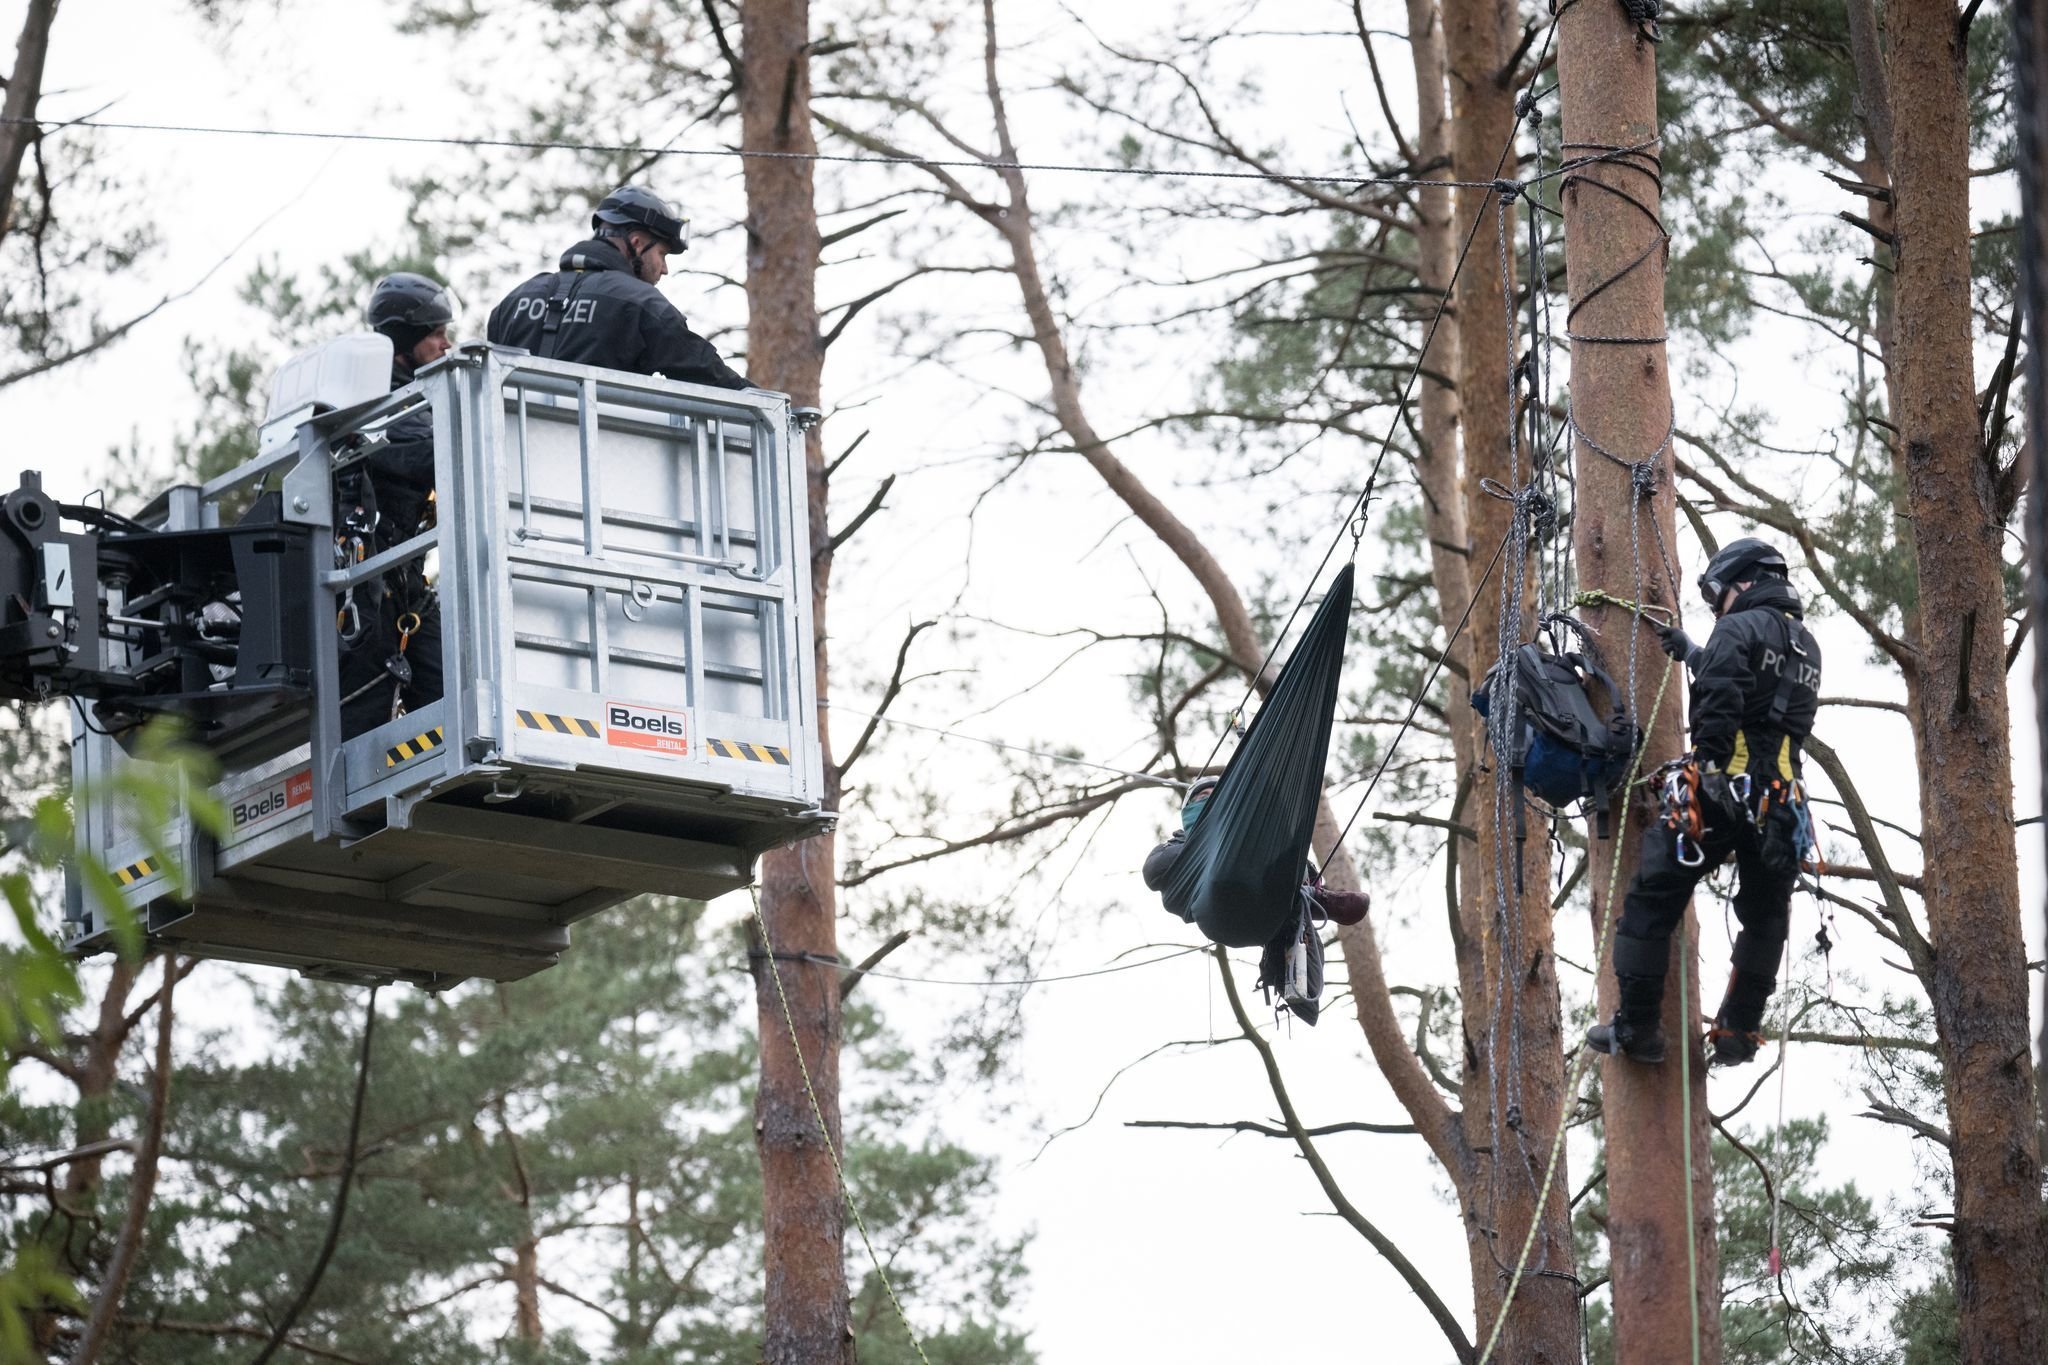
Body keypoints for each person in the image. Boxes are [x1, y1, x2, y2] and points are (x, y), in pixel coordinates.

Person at [1587, 537, 1822, 1067]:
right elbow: (1764, 698)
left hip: (1723, 789)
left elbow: (1722, 700)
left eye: (1720, 593)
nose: (1718, 606)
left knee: (1651, 896)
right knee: (1765, 917)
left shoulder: (1737, 628)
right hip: (1783, 801)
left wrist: (1711, 767)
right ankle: (1738, 1031)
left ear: (1746, 581)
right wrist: (1695, 653)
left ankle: (1637, 1028)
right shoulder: (1807, 644)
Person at [1143, 775, 1370, 1025]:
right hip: (1218, 910)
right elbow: (1154, 871)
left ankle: (1306, 901)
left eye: (1215, 798)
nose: (1209, 802)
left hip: (1264, 903)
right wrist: (1203, 847)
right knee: (1233, 865)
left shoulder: (1248, 833)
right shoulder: (1176, 845)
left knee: (1280, 861)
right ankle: (1309, 899)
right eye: (1202, 798)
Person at [335, 271, 452, 735]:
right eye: (436, 334)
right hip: (369, 588)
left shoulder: (414, 397)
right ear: (406, 339)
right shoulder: (382, 399)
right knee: (368, 706)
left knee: (446, 683)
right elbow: (431, 457)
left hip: (403, 583)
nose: (446, 344)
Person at [486, 185, 752, 388]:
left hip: (511, 455)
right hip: (603, 456)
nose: (664, 268)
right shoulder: (642, 303)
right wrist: (772, 408)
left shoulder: (514, 301)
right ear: (637, 243)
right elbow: (708, 374)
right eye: (662, 254)